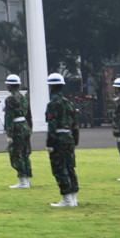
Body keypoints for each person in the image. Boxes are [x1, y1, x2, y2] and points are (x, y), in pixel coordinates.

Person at [45, 72, 79, 207]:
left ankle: (66, 199)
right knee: (70, 167)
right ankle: (73, 198)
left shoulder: (53, 103)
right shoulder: (68, 102)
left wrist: (49, 143)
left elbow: (52, 125)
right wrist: (75, 140)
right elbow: (75, 124)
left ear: (52, 87)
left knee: (59, 168)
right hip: (69, 137)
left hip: (58, 138)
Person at [4, 74, 33, 189]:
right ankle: (27, 180)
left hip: (17, 128)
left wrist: (9, 134)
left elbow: (9, 117)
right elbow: (29, 115)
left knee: (17, 154)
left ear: (10, 86)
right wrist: (30, 129)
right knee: (26, 153)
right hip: (25, 126)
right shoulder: (25, 97)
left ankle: (22, 181)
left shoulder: (10, 99)